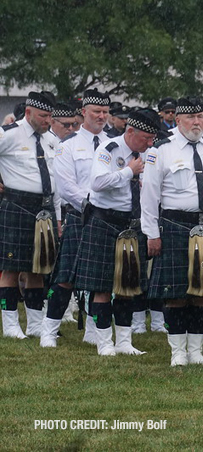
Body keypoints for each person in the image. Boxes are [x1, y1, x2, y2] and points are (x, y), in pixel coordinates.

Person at [141, 96, 203, 366]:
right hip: (175, 226)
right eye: (191, 118)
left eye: (200, 117)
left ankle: (196, 351)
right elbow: (149, 196)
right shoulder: (161, 149)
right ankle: (177, 352)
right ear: (177, 120)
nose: (197, 123)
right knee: (176, 293)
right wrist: (152, 234)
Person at [67, 110, 160, 356]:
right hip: (105, 221)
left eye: (152, 139)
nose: (150, 143)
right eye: (146, 138)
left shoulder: (149, 153)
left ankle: (125, 342)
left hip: (132, 224)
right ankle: (104, 342)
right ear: (130, 132)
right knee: (102, 287)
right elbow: (97, 182)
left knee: (127, 286)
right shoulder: (108, 149)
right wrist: (129, 172)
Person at [49, 88, 111, 346]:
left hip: (108, 218)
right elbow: (65, 186)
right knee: (66, 277)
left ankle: (94, 333)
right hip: (80, 214)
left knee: (102, 279)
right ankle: (48, 330)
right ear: (83, 112)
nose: (101, 116)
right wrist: (90, 205)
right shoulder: (68, 146)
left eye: (106, 112)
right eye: (96, 111)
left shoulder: (114, 144)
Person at [0, 91, 58, 339]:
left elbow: (54, 177)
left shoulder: (51, 139)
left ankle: (35, 323)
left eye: (50, 116)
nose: (48, 121)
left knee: (39, 268)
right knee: (11, 268)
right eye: (43, 116)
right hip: (17, 205)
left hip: (45, 208)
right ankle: (11, 324)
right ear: (29, 113)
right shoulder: (10, 134)